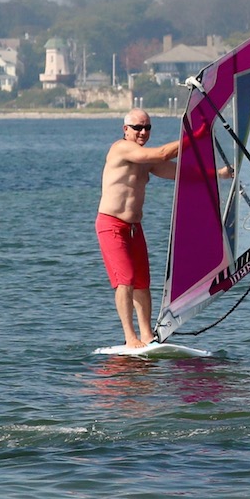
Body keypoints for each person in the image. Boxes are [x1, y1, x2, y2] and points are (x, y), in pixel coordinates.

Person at [96, 108, 181, 349]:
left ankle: (146, 335)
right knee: (126, 280)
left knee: (142, 283)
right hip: (111, 225)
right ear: (126, 130)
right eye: (137, 128)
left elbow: (180, 171)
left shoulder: (145, 160)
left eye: (147, 128)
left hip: (134, 228)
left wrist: (219, 174)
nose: (143, 132)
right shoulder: (121, 149)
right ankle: (130, 336)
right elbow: (164, 153)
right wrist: (193, 136)